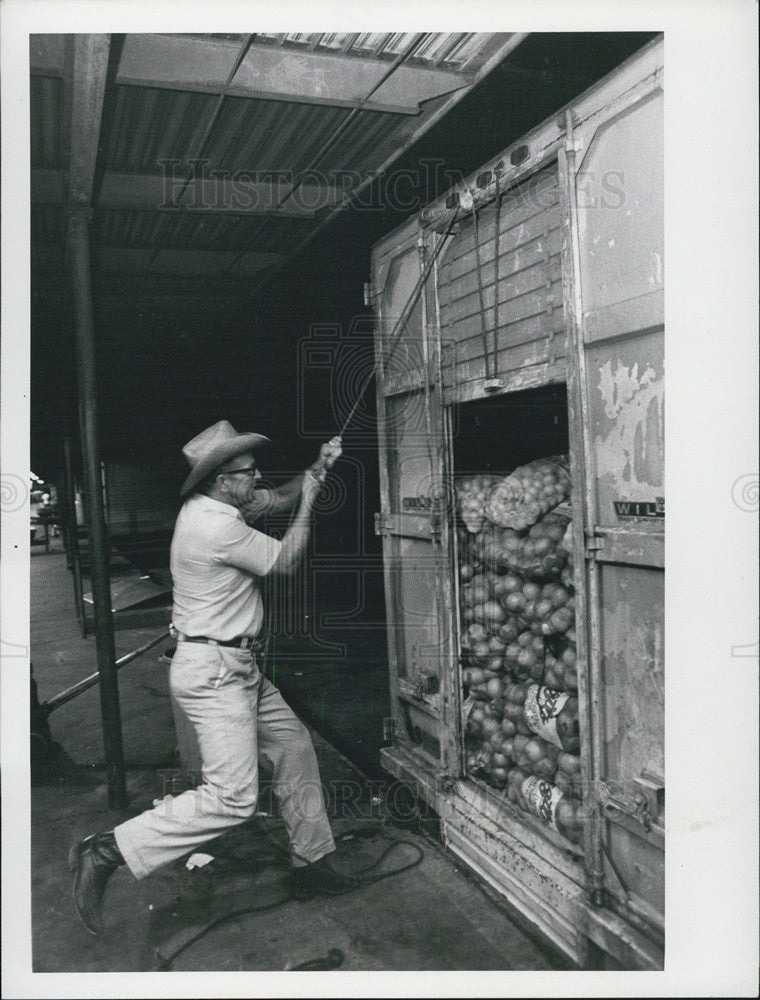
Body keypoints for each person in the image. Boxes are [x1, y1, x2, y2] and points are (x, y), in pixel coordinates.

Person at [69, 420, 352, 936]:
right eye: (248, 472)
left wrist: (316, 469)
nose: (258, 476)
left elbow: (275, 496)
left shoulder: (217, 504)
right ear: (223, 481)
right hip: (216, 674)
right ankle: (106, 851)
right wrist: (310, 501)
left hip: (238, 666)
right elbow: (287, 561)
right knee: (233, 797)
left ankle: (313, 862)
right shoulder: (214, 527)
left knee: (293, 745)